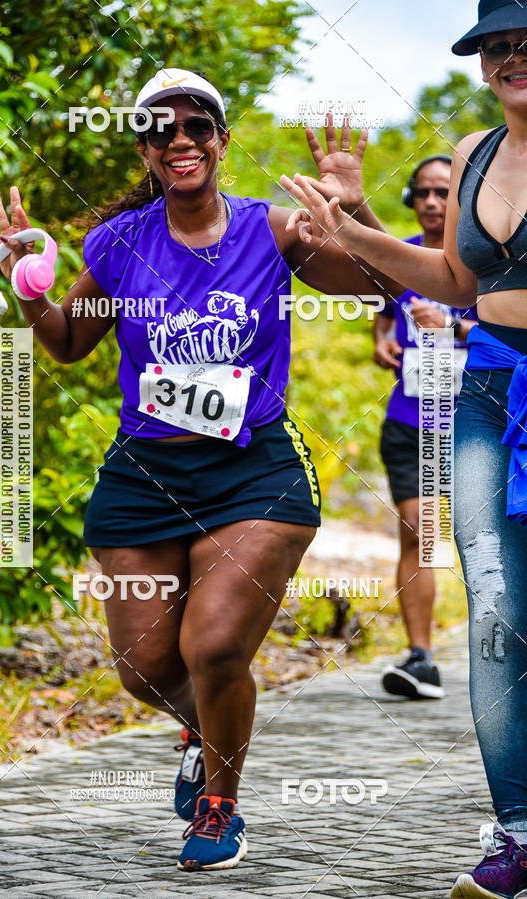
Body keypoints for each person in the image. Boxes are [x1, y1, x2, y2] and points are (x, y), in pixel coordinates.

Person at [0, 69, 401, 872]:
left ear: (221, 141)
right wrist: (26, 282)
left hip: (255, 476)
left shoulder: (273, 231)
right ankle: (205, 727)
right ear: (145, 149)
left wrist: (354, 214)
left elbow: (385, 281)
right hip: (146, 475)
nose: (181, 139)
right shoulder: (118, 244)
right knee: (145, 666)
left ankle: (218, 800)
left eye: (197, 126)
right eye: (161, 129)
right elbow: (69, 342)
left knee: (211, 649)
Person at [281, 1, 527, 894]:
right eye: (496, 45)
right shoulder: (473, 155)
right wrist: (353, 229)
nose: (511, 57)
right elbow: (457, 280)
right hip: (487, 387)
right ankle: (519, 831)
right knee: (496, 615)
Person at [375, 155, 477, 701]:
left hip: (479, 423)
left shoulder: (488, 257)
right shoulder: (401, 257)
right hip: (415, 420)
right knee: (422, 533)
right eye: (424, 193)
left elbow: (512, 331)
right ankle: (421, 659)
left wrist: (455, 325)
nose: (434, 202)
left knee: (480, 543)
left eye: (445, 192)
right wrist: (382, 341)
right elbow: (383, 317)